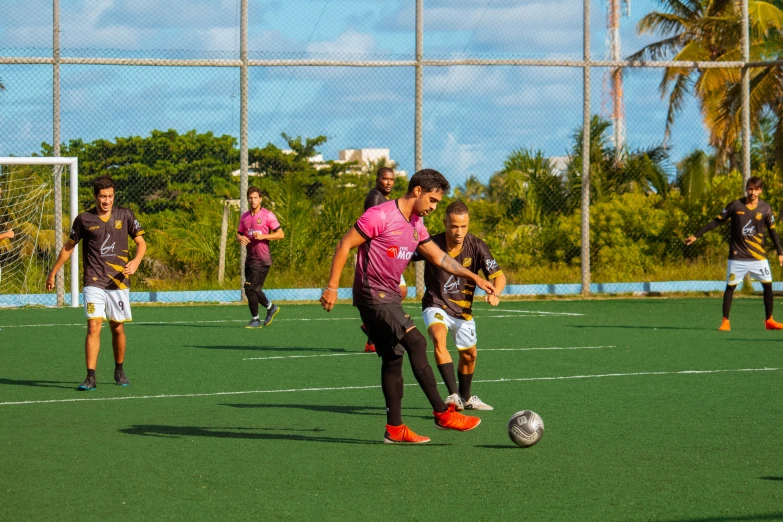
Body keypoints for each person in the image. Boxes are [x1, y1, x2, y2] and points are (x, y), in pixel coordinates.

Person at [320, 168, 496, 444]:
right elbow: (345, 244)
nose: (434, 207)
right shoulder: (380, 215)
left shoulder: (416, 224)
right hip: (371, 294)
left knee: (393, 358)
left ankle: (395, 429)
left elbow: (441, 259)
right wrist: (332, 287)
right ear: (417, 191)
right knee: (416, 342)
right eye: (433, 200)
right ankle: (442, 412)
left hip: (389, 295)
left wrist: (474, 276)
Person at [46, 175, 146, 390]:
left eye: (110, 196)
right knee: (94, 325)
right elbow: (68, 246)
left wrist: (136, 261)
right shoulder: (84, 219)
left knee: (117, 328)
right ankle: (90, 376)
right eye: (102, 196)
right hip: (93, 282)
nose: (106, 200)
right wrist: (53, 272)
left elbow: (141, 242)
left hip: (119, 283)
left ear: (114, 196)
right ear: (95, 196)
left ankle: (119, 370)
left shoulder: (125, 215)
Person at [416, 200, 506, 411]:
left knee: (469, 355)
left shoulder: (477, 245)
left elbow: (498, 276)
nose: (459, 231)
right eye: (454, 226)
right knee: (438, 337)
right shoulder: (432, 244)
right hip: (435, 304)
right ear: (445, 222)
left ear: (468, 224)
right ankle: (453, 395)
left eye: (463, 226)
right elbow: (403, 254)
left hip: (463, 312)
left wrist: (496, 293)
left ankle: (466, 398)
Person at [685, 176, 783, 331]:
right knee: (730, 287)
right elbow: (716, 221)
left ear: (760, 190)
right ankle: (725, 321)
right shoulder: (735, 205)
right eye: (750, 188)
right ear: (746, 189)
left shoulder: (766, 208)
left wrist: (780, 252)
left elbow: (773, 232)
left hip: (758, 257)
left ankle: (769, 320)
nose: (753, 192)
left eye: (756, 189)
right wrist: (696, 235)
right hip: (738, 257)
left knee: (768, 286)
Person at [360, 167, 406, 352]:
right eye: (385, 179)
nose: (389, 182)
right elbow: (372, 228)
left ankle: (372, 330)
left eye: (392, 179)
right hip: (378, 255)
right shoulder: (375, 198)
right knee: (390, 294)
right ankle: (375, 331)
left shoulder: (384, 198)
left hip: (389, 253)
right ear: (378, 179)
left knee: (401, 291)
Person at [237, 186, 284, 328]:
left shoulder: (268, 215)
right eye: (250, 198)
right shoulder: (244, 217)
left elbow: (280, 234)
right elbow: (239, 233)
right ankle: (270, 308)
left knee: (249, 289)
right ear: (247, 199)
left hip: (262, 260)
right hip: (250, 259)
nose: (253, 200)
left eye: (256, 197)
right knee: (254, 290)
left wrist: (263, 236)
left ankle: (256, 319)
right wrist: (239, 238)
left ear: (261, 199)